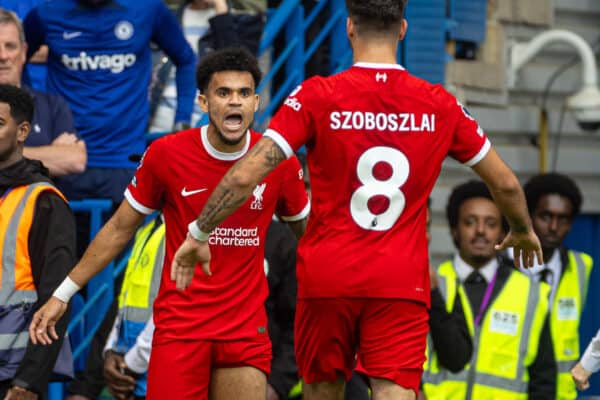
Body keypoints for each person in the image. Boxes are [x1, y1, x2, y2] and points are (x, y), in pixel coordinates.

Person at [167, 2, 544, 399]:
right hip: (399, 279)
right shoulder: (439, 104)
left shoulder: (316, 95)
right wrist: (521, 229)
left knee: (322, 390)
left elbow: (246, 173)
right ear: (403, 30)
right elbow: (505, 185)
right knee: (395, 391)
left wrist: (199, 231)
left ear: (349, 28)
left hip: (328, 275)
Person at [30, 48, 311, 400]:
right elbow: (119, 228)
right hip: (180, 330)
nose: (234, 102)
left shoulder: (278, 163)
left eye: (243, 94)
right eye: (223, 93)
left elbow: (309, 238)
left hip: (244, 331)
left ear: (256, 102)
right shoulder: (167, 154)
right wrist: (62, 294)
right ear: (203, 101)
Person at [23, 0, 196, 205]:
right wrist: (32, 114)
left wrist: (182, 121)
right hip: (66, 160)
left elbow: (186, 59)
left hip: (126, 160)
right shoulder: (46, 13)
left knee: (125, 237)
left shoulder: (148, 9)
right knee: (63, 237)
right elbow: (15, 58)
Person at [422, 180, 556, 399]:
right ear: (455, 230)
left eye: (491, 223)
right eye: (470, 222)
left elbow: (544, 379)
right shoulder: (433, 283)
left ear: (504, 234)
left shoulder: (530, 293)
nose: (481, 231)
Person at [0, 84, 76, 398]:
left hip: (13, 374)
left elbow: (57, 297)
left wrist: (28, 381)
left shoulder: (44, 200)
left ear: (23, 132)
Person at [521, 172, 594, 400]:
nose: (553, 227)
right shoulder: (501, 266)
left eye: (563, 219)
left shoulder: (581, 266)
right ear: (528, 216)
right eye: (545, 216)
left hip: (559, 393)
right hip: (511, 390)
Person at [0, 8, 86, 178]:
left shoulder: (51, 105)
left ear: (24, 53)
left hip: (37, 204)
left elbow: (75, 160)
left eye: (10, 46)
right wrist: (50, 153)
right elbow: (62, 159)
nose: (3, 56)